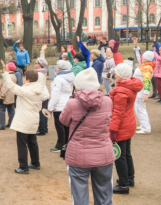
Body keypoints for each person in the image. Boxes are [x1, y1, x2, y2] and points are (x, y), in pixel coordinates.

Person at [60, 68, 115, 205]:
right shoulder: (108, 101)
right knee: (104, 195)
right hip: (104, 153)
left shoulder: (72, 103)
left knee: (79, 195)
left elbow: (63, 121)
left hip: (78, 155)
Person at [0, 62, 43, 174]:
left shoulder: (26, 90)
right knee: (32, 142)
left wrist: (5, 73)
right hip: (34, 119)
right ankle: (35, 162)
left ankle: (23, 167)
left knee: (22, 144)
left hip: (24, 120)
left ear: (27, 79)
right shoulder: (39, 90)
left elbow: (11, 86)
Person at [109, 63, 143, 194]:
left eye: (117, 73)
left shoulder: (121, 92)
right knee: (127, 153)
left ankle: (123, 185)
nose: (115, 75)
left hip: (121, 126)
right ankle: (129, 178)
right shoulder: (130, 85)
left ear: (120, 76)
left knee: (119, 156)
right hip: (129, 123)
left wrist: (112, 130)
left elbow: (117, 113)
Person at [47, 60, 75, 152]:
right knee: (67, 126)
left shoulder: (58, 78)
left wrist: (50, 108)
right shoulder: (72, 76)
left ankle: (60, 144)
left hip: (59, 106)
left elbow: (55, 95)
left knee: (59, 126)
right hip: (69, 103)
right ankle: (67, 143)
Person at [133, 37, 155, 135]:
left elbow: (147, 81)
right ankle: (143, 125)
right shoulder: (144, 64)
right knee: (138, 108)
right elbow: (139, 55)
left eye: (144, 57)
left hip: (141, 91)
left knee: (140, 108)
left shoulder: (146, 68)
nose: (142, 58)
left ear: (147, 58)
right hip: (138, 90)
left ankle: (146, 128)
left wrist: (146, 93)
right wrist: (136, 45)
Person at [0, 62, 17, 130]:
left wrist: (2, 97)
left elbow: (5, 87)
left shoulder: (7, 77)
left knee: (1, 109)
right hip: (11, 96)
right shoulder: (14, 75)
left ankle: (1, 125)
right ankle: (12, 123)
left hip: (6, 96)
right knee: (11, 110)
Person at [36, 44, 50, 136]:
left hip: (43, 95)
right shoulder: (42, 71)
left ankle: (42, 129)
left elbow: (40, 86)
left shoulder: (39, 74)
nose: (35, 64)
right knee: (44, 112)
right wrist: (42, 51)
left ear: (39, 65)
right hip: (46, 94)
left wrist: (40, 96)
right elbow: (42, 60)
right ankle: (44, 127)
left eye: (36, 63)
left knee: (41, 113)